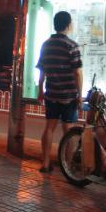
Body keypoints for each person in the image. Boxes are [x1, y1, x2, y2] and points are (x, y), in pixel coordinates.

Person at [36, 11, 83, 173]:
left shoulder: (46, 44)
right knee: (68, 130)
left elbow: (42, 72)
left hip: (51, 93)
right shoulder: (72, 45)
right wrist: (80, 95)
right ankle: (67, 165)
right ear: (68, 25)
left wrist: (40, 91)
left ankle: (46, 163)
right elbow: (78, 72)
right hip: (69, 95)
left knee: (49, 127)